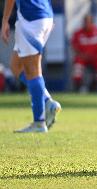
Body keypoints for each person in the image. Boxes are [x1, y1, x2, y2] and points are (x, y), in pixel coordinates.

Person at [1, 0, 61, 133]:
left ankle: (39, 122)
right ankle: (47, 101)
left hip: (31, 19)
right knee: (16, 66)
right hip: (42, 17)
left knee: (33, 71)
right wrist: (48, 15)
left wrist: (5, 20)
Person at [71, 14, 97, 92]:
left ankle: (93, 85)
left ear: (92, 23)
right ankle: (78, 86)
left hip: (96, 57)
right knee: (78, 63)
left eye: (88, 22)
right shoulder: (78, 33)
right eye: (85, 22)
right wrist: (80, 54)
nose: (86, 24)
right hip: (83, 56)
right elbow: (74, 46)